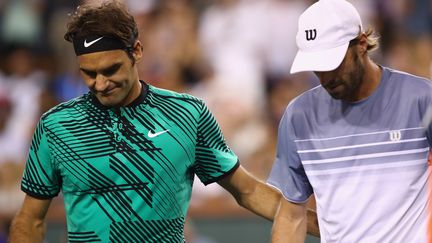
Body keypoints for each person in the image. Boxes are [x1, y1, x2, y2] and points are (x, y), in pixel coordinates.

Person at [8, 1, 319, 242]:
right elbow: (30, 219)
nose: (100, 83)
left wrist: (322, 225)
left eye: (111, 69)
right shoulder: (55, 126)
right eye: (89, 73)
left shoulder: (188, 114)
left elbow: (248, 191)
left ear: (137, 51)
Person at [267, 0, 432, 242]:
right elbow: (291, 216)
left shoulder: (423, 99)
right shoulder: (298, 117)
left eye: (333, 64)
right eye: (317, 67)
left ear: (362, 44)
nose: (325, 77)